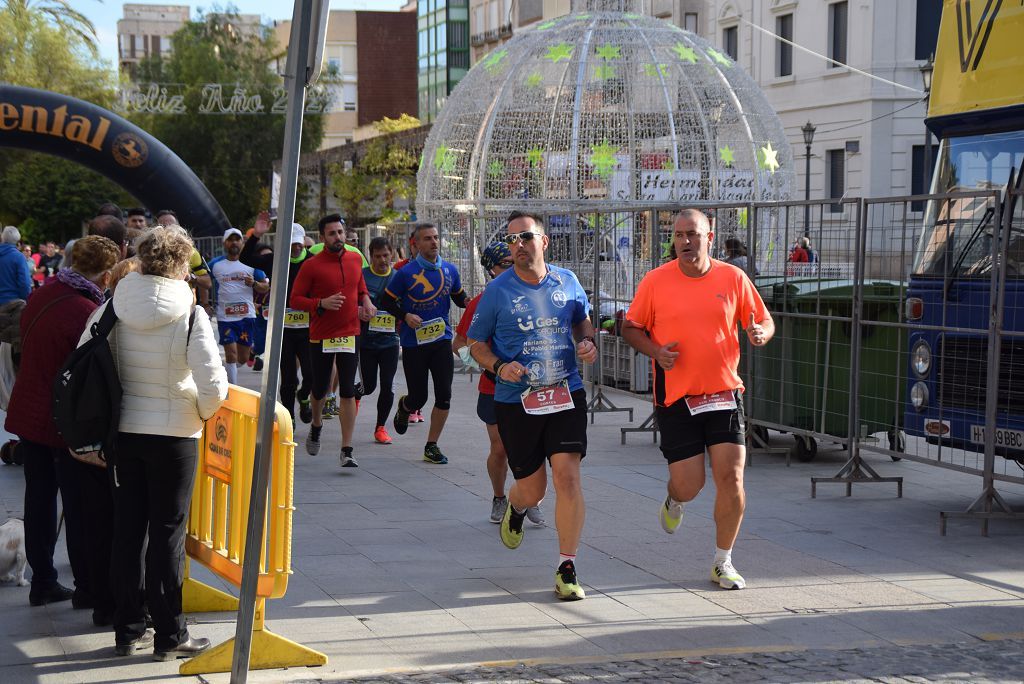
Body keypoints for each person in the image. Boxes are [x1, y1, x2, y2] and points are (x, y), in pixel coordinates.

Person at [82, 225, 228, 659]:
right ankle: (170, 632)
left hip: (124, 433)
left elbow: (84, 360)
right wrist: (198, 415)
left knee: (128, 530)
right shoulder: (191, 313)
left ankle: (127, 627)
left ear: (141, 259)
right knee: (167, 534)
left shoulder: (111, 307)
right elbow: (214, 385)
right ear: (183, 263)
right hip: (175, 436)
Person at [621, 208, 774, 591]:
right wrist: (656, 351)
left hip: (723, 393)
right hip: (677, 397)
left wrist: (760, 333)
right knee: (690, 484)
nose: (685, 242)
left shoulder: (732, 277)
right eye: (678, 235)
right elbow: (630, 327)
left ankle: (723, 560)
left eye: (693, 233)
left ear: (710, 235)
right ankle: (675, 499)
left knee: (732, 477)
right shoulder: (656, 281)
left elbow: (765, 321)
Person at [466, 212, 596, 601]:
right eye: (511, 240)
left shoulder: (567, 281)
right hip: (517, 400)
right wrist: (500, 366)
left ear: (544, 241)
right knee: (533, 488)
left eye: (525, 236)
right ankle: (516, 507)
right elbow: (476, 344)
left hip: (565, 391)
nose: (518, 245)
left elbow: (582, 323)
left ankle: (566, 566)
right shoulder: (497, 292)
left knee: (568, 478)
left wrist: (587, 343)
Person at [5, 236, 121, 615]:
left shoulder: (46, 292)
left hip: (30, 409)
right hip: (62, 420)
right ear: (106, 273)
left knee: (38, 497)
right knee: (77, 501)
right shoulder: (87, 310)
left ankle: (42, 580)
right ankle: (86, 585)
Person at [453, 240, 544, 526]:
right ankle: (498, 497)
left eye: (512, 262)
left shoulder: (538, 293)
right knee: (501, 447)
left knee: (535, 446)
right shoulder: (484, 300)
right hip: (495, 386)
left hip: (534, 386)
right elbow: (459, 343)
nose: (510, 268)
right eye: (503, 264)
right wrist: (483, 362)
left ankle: (531, 497)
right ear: (490, 270)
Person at [289, 214, 376, 467]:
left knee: (348, 390)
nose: (338, 237)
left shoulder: (354, 258)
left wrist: (367, 301)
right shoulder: (311, 265)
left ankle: (347, 448)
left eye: (340, 232)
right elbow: (295, 299)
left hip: (350, 332)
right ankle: (316, 424)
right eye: (332, 233)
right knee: (319, 389)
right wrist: (320, 303)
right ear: (322, 237)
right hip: (321, 335)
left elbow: (361, 287)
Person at [381, 223, 468, 464]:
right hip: (414, 344)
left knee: (444, 396)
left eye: (436, 237)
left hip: (441, 341)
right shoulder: (406, 274)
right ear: (416, 244)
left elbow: (459, 298)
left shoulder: (449, 270)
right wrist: (405, 316)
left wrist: (474, 303)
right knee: (418, 398)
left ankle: (432, 445)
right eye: (427, 239)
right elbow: (385, 301)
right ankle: (405, 406)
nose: (434, 242)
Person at [241, 217, 316, 425]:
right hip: (284, 328)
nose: (296, 247)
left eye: (299, 243)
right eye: (292, 243)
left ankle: (304, 397)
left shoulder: (312, 260)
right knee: (289, 377)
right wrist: (256, 235)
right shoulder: (275, 259)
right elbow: (245, 258)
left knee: (311, 374)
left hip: (308, 327)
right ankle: (289, 417)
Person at [209, 228, 270, 384]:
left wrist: (254, 283)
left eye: (237, 239)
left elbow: (265, 287)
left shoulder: (251, 264)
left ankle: (225, 373)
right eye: (231, 239)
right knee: (231, 354)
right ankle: (232, 390)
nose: (234, 242)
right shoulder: (216, 264)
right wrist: (204, 302)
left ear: (242, 242)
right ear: (225, 243)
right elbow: (204, 280)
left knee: (242, 358)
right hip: (225, 317)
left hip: (247, 316)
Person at [360, 237, 400, 445]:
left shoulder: (398, 277)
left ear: (392, 253)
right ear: (370, 256)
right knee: (369, 387)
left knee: (387, 385)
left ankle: (381, 427)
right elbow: (351, 301)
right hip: (366, 342)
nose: (382, 260)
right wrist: (359, 311)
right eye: (377, 256)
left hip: (390, 342)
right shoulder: (363, 276)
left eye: (386, 255)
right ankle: (355, 395)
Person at [0, 226, 32, 305]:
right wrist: (26, 299)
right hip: (12, 304)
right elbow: (24, 284)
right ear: (17, 240)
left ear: (3, 238)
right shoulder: (19, 257)